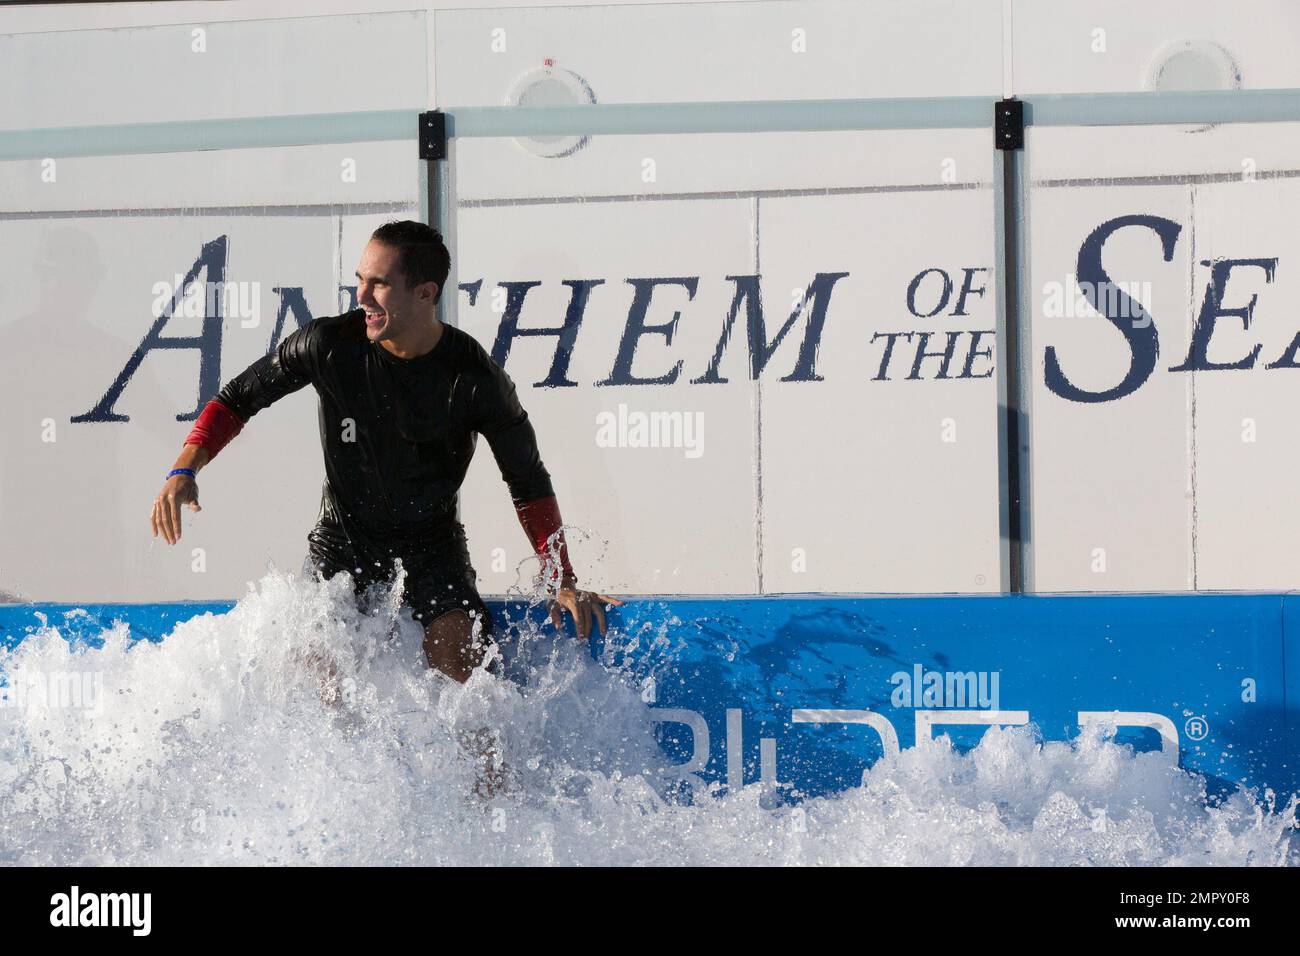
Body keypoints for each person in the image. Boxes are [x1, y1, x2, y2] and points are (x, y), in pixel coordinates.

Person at [149, 220, 623, 686]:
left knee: (464, 670)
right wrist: (183, 468)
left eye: (379, 284)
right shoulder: (330, 346)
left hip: (432, 550)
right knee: (318, 672)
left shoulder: (475, 379)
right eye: (360, 280)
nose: (361, 297)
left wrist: (561, 578)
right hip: (342, 543)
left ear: (425, 293)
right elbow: (237, 398)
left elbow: (528, 480)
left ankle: (491, 768)